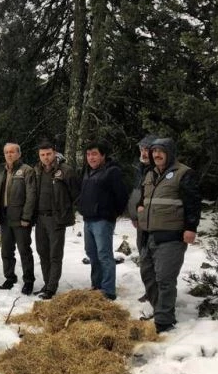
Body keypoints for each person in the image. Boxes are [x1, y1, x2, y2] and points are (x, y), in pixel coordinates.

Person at [137, 138, 201, 333]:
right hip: (150, 235)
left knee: (165, 278)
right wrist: (139, 206)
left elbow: (193, 203)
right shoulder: (150, 173)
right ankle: (159, 310)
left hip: (172, 236)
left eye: (160, 151)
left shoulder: (184, 173)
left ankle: (164, 321)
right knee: (147, 275)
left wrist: (191, 228)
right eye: (154, 151)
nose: (156, 155)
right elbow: (144, 196)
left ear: (170, 152)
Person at [77, 139, 129, 300]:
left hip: (103, 220)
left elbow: (122, 195)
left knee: (104, 255)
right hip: (88, 219)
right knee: (91, 253)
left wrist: (113, 213)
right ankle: (96, 285)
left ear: (103, 155)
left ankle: (108, 291)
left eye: (94, 154)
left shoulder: (112, 171)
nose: (91, 158)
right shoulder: (86, 171)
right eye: (88, 154)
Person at [33, 141, 80, 299]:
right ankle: (46, 283)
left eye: (48, 154)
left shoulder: (65, 171)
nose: (46, 158)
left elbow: (75, 194)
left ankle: (52, 287)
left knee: (55, 254)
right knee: (42, 252)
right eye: (42, 155)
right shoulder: (37, 170)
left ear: (54, 153)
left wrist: (67, 211)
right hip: (40, 218)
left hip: (56, 219)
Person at [0, 143, 37, 293]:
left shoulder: (26, 170)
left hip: (20, 218)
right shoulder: (1, 170)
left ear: (19, 154)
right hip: (5, 217)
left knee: (24, 250)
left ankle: (28, 281)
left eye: (12, 152)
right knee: (6, 251)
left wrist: (26, 216)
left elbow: (31, 196)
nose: (9, 155)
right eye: (6, 152)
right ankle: (10, 277)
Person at [127, 134, 157, 302]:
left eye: (147, 149)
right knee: (144, 257)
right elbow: (137, 194)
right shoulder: (140, 168)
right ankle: (150, 291)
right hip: (140, 221)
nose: (144, 153)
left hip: (154, 222)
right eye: (141, 149)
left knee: (153, 258)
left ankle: (157, 294)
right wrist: (133, 214)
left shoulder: (158, 170)